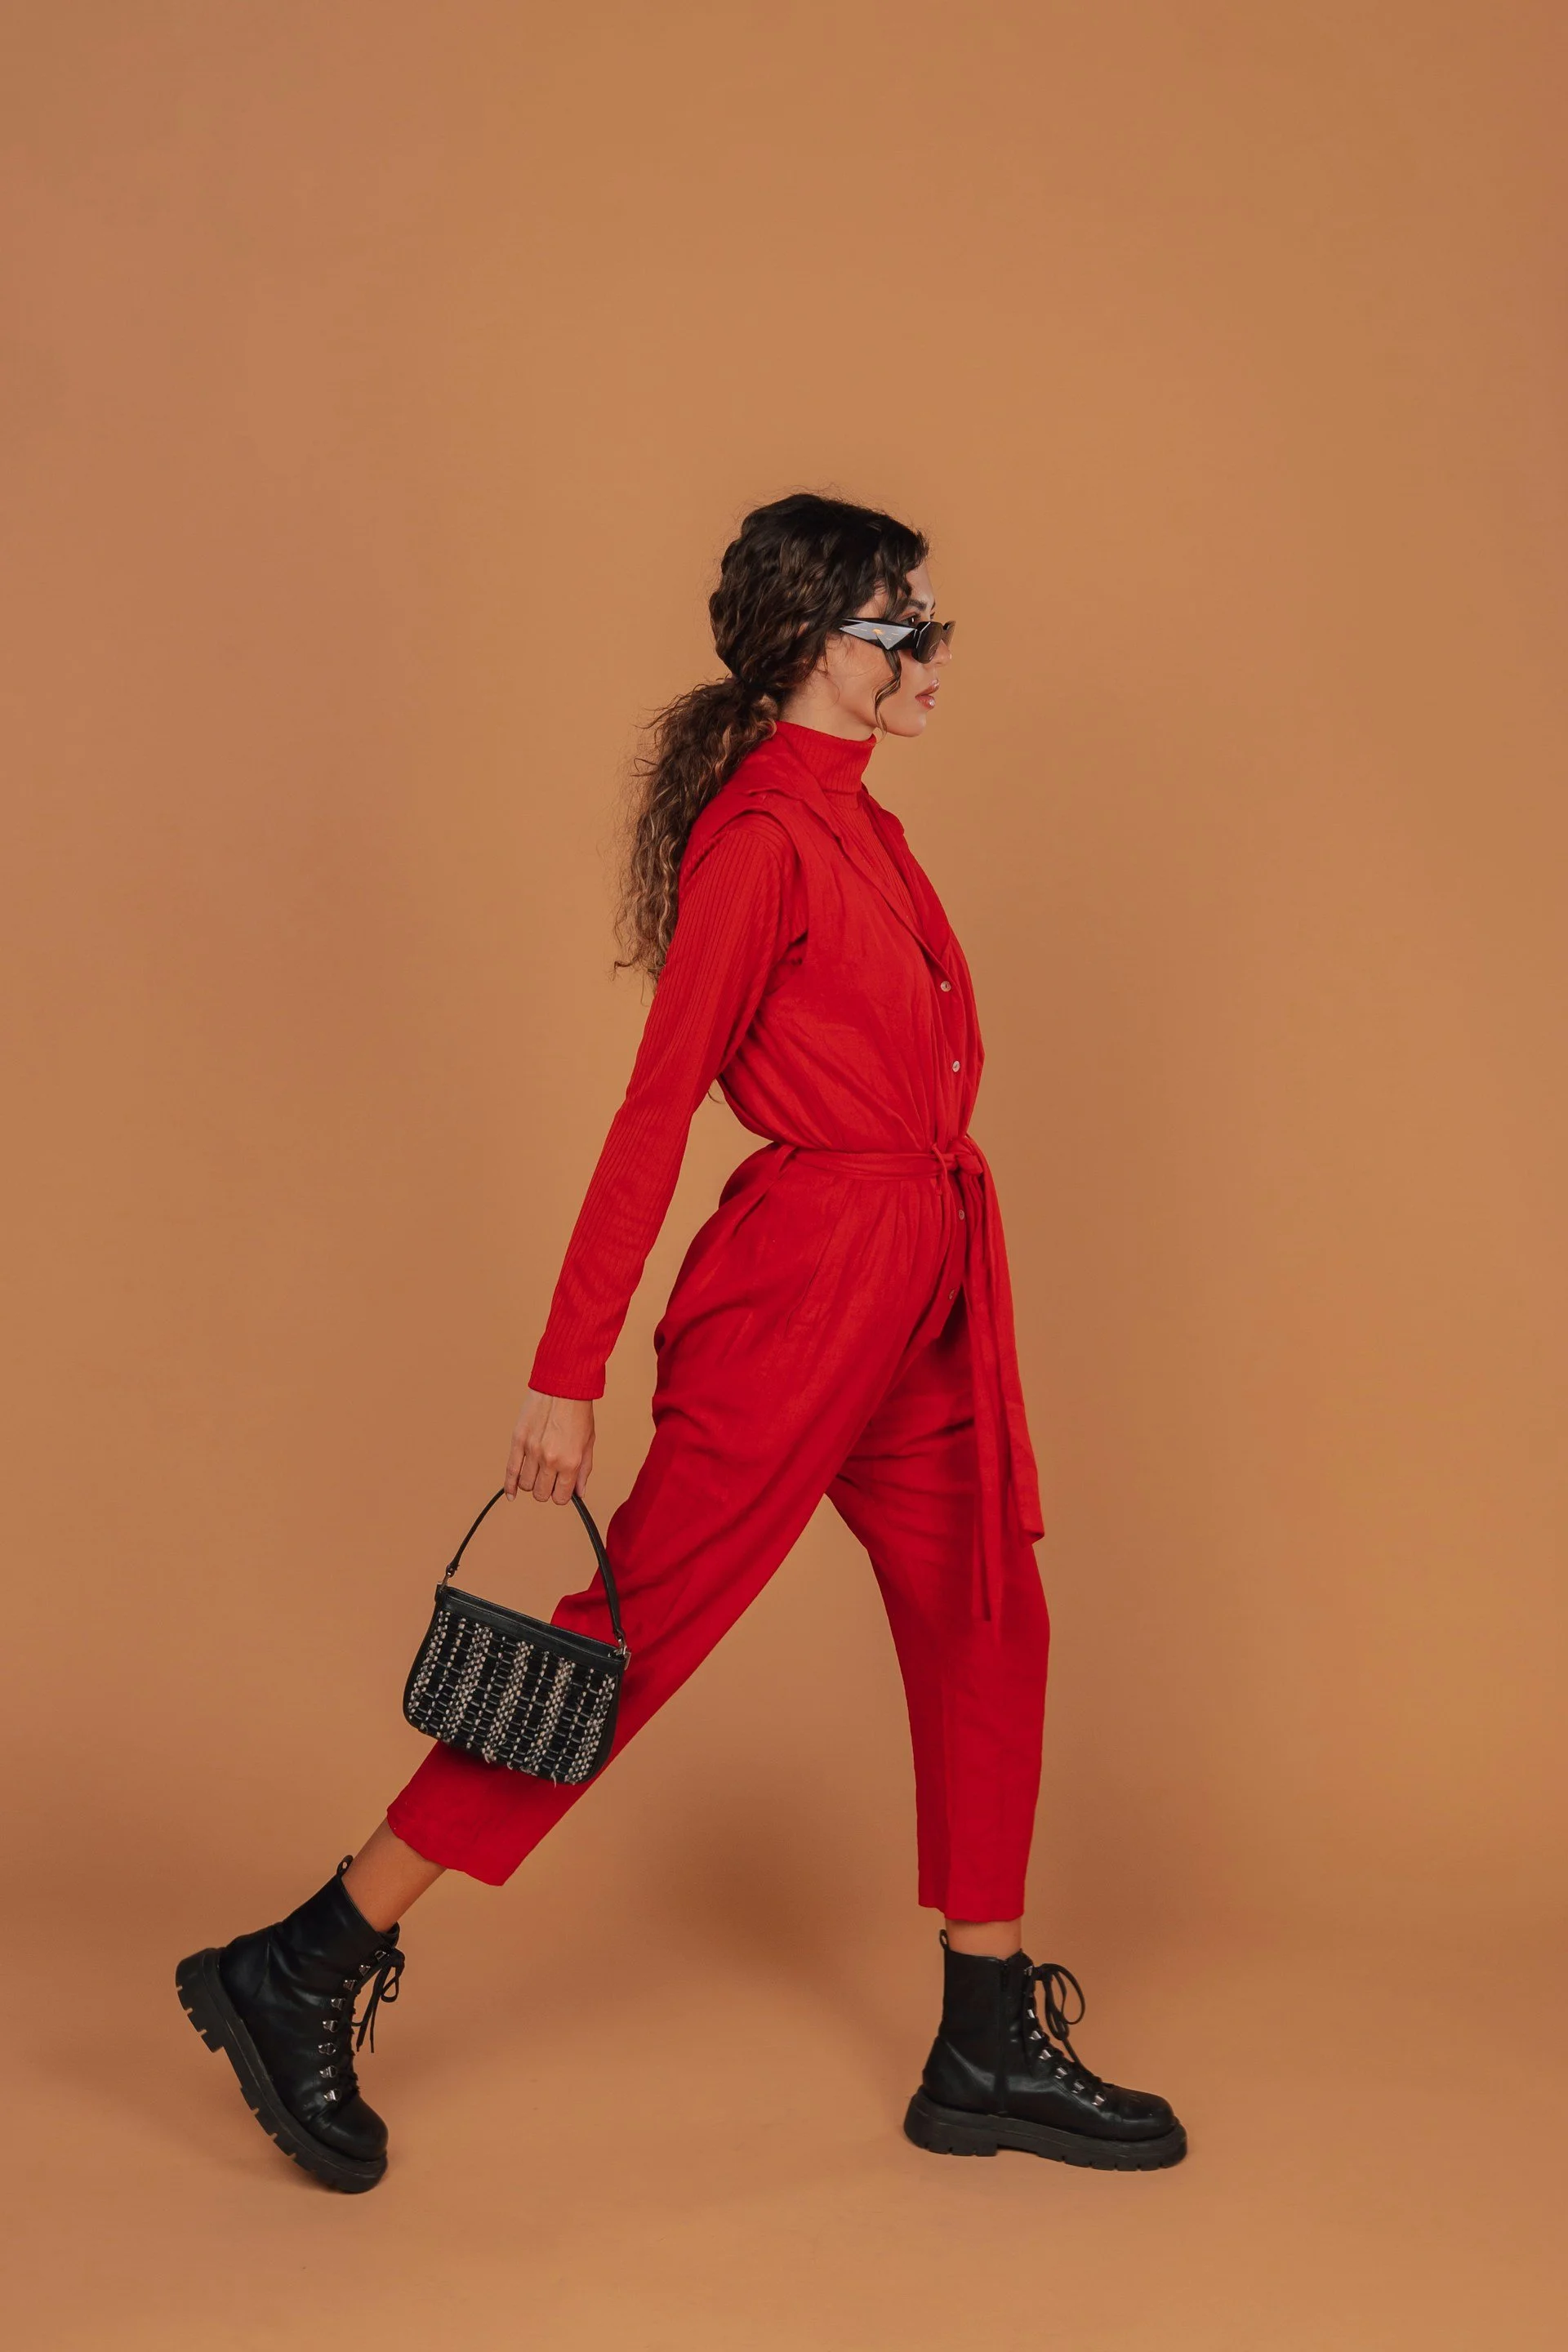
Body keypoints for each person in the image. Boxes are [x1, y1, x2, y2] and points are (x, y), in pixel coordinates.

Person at [176, 492, 1186, 2191]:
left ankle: (985, 2035)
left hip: (921, 1284)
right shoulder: (763, 841)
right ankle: (312, 1955)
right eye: (903, 627)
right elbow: (658, 1110)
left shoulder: (864, 827)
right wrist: (565, 1370)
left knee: (991, 1614)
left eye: (932, 622)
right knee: (627, 1646)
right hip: (803, 1294)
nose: (934, 654)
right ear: (814, 648)